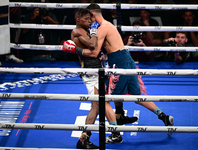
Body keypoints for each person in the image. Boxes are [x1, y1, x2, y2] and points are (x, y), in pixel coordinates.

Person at [62, 3, 174, 142]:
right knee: (136, 96)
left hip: (119, 62)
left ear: (92, 15)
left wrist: (75, 50)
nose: (89, 22)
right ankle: (163, 116)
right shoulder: (109, 24)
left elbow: (94, 51)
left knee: (106, 99)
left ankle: (115, 134)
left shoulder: (101, 28)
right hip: (127, 59)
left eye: (88, 18)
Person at [68, 8, 130, 149]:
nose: (90, 22)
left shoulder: (85, 30)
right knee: (100, 104)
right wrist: (95, 31)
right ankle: (111, 134)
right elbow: (92, 44)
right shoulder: (77, 31)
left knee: (97, 105)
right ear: (78, 19)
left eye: (90, 19)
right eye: (86, 20)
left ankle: (85, 139)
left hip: (96, 70)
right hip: (91, 72)